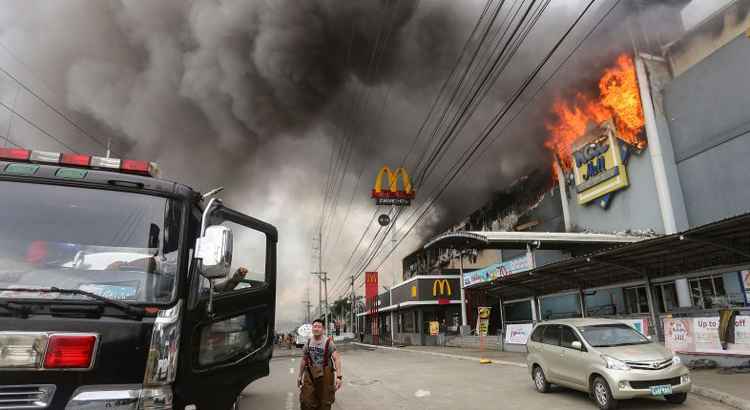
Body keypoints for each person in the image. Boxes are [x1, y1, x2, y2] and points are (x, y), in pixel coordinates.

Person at [297, 319, 343, 410]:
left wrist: (339, 377)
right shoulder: (308, 342)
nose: (316, 328)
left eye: (319, 327)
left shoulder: (328, 342)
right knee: (306, 401)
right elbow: (303, 359)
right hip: (310, 375)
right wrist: (299, 376)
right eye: (314, 326)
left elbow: (337, 358)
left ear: (323, 329)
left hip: (325, 376)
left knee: (324, 403)